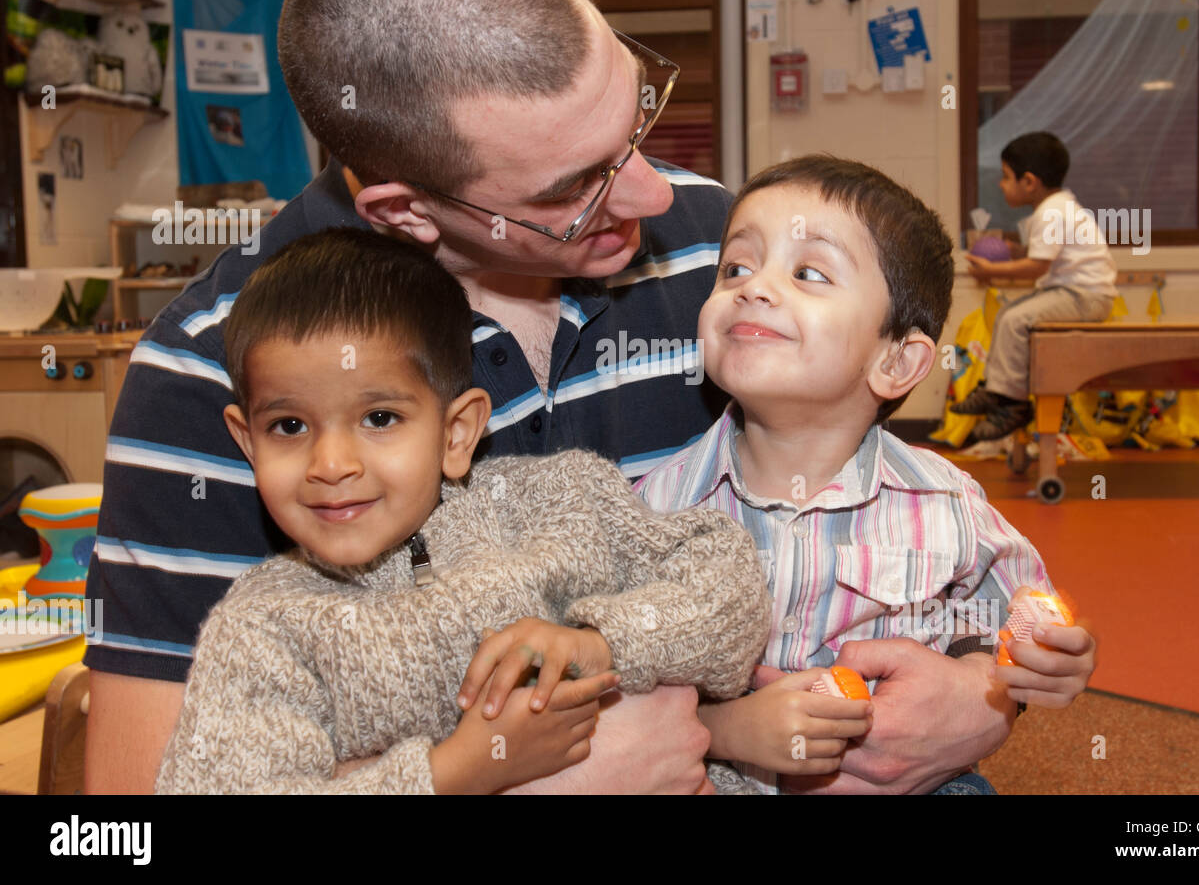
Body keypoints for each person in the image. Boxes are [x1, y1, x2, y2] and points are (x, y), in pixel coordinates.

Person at [85, 0, 1030, 795]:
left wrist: (983, 698)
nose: (656, 194)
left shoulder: (733, 267)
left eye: (638, 118)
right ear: (408, 212)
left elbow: (909, 533)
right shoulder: (214, 371)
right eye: (578, 188)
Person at [155, 229, 769, 793]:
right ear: (247, 441)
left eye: (379, 418)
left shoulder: (557, 502)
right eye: (289, 425)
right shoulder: (265, 630)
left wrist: (604, 642)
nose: (332, 463)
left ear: (456, 434)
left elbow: (730, 586)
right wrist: (459, 772)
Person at [635, 156, 1098, 794]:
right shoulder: (656, 505)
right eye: (735, 268)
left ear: (897, 362)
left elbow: (1016, 618)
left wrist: (1048, 659)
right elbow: (622, 674)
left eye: (808, 272)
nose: (753, 287)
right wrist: (726, 726)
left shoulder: (945, 501)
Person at [960, 132, 1118, 441]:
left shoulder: (1051, 213)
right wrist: (1014, 251)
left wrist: (994, 269)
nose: (1000, 185)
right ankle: (998, 391)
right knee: (1007, 315)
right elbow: (1040, 256)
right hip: (1074, 294)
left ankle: (1013, 404)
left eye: (1006, 177)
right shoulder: (1057, 208)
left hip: (1085, 298)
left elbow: (1038, 266)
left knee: (1016, 319)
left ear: (1029, 182)